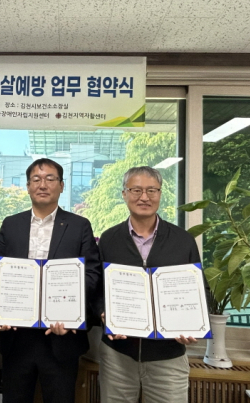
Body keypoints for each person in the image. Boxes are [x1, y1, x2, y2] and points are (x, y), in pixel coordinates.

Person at [0, 158, 101, 403]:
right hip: (16, 337)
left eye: (50, 179)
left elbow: (92, 274)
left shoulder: (79, 226)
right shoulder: (11, 225)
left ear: (61, 185)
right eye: (36, 179)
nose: (43, 185)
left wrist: (71, 311)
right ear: (28, 186)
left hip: (61, 337)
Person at [98, 166, 202, 403]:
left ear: (160, 193)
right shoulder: (109, 239)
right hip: (118, 355)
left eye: (151, 190)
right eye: (136, 190)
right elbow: (97, 290)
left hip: (168, 356)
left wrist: (192, 326)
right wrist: (103, 312)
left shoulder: (183, 240)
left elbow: (199, 291)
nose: (144, 197)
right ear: (124, 194)